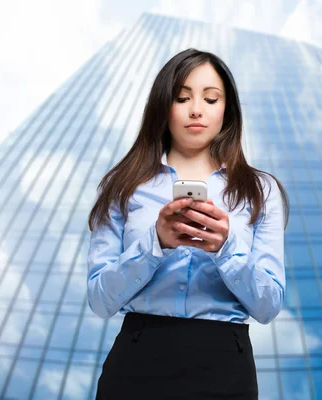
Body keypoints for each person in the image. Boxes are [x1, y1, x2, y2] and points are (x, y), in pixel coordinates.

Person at [87, 48, 289, 399]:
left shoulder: (260, 190)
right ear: (163, 106)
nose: (196, 109)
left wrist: (226, 249)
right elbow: (100, 300)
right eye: (182, 97)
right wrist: (155, 244)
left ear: (227, 110)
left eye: (211, 98)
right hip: (137, 361)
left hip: (225, 365)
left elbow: (268, 306)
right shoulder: (122, 185)